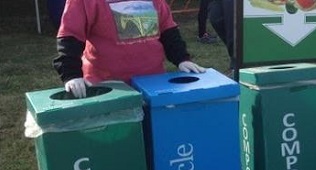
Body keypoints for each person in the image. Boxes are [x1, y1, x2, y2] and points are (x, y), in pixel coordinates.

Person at [53, 0, 206, 98]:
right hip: (108, 88)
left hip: (154, 84)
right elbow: (70, 35)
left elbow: (167, 29)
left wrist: (181, 59)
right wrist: (71, 74)